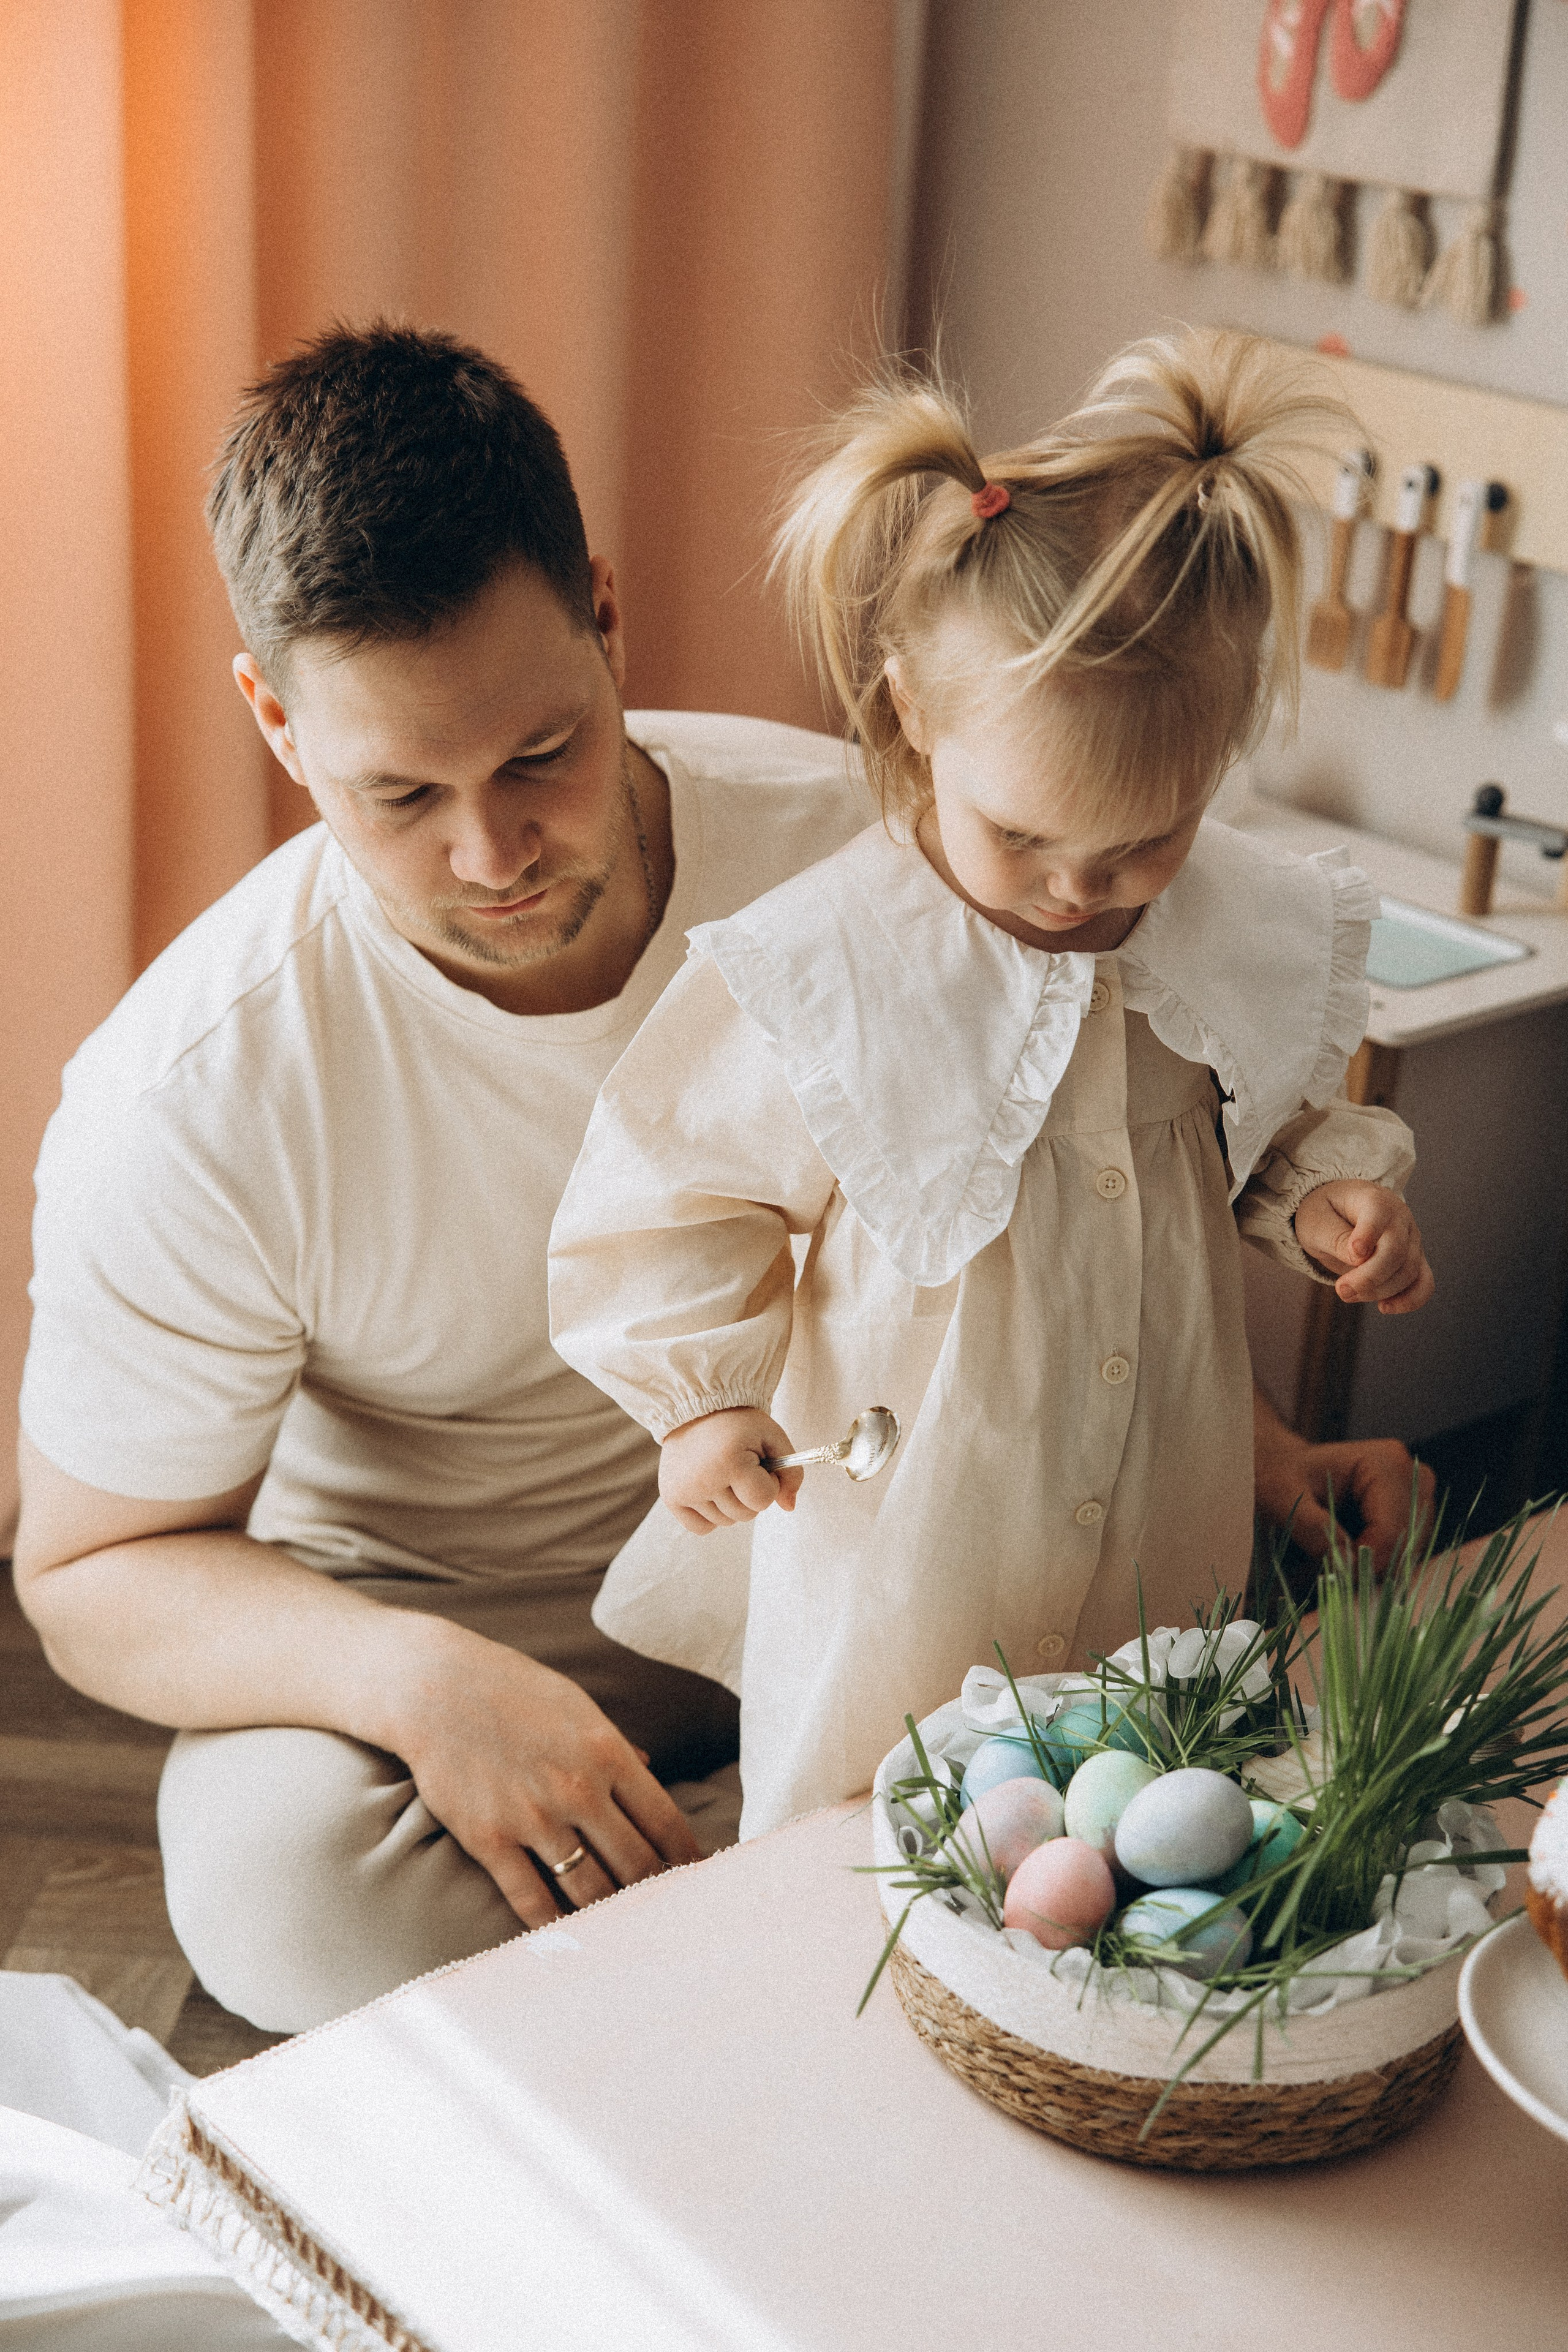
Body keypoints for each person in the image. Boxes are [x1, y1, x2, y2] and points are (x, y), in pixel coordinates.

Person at [13, 322, 1430, 2035]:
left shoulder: (897, 844)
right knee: (288, 1886)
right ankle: (860, 1900)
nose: (492, 853)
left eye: (541, 752)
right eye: (400, 793)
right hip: (450, 1623)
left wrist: (1257, 1450)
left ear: (606, 616)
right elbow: (89, 1574)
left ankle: (761, 1914)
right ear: (276, 721)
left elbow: (1074, 1181)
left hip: (893, 1556)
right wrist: (425, 1685)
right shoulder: (193, 1090)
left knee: (1264, 1700)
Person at [548, 330, 1434, 1838]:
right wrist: (700, 1401)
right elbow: (668, 1190)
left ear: (1215, 766)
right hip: (920, 1513)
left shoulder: (1218, 928)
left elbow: (1260, 1124)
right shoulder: (828, 964)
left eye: (1141, 844)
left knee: (1131, 1791)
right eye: (1023, 840)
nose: (1077, 892)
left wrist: (1328, 1205)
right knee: (872, 1801)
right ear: (910, 712)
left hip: (1160, 1477)